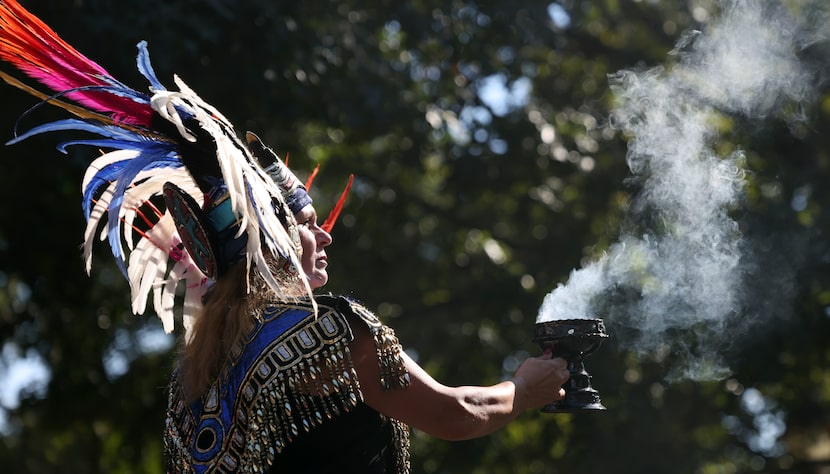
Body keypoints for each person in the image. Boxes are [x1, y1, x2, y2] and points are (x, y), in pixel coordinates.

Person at [0, 1, 570, 472]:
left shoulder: (188, 386)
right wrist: (524, 388)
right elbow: (454, 413)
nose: (324, 237)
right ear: (266, 238)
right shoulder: (326, 329)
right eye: (306, 225)